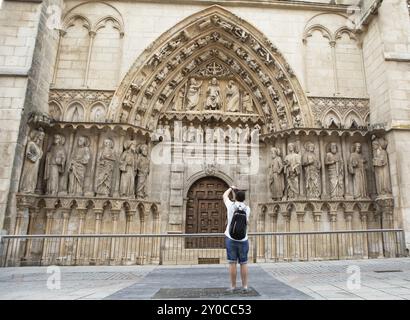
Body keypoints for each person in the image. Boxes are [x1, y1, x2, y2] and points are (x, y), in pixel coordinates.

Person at [223, 186, 251, 293]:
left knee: (232, 263)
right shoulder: (247, 209)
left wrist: (231, 188)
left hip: (231, 238)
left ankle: (233, 286)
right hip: (243, 239)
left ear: (235, 197)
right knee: (243, 263)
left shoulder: (231, 205)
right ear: (244, 198)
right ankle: (245, 286)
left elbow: (224, 196)